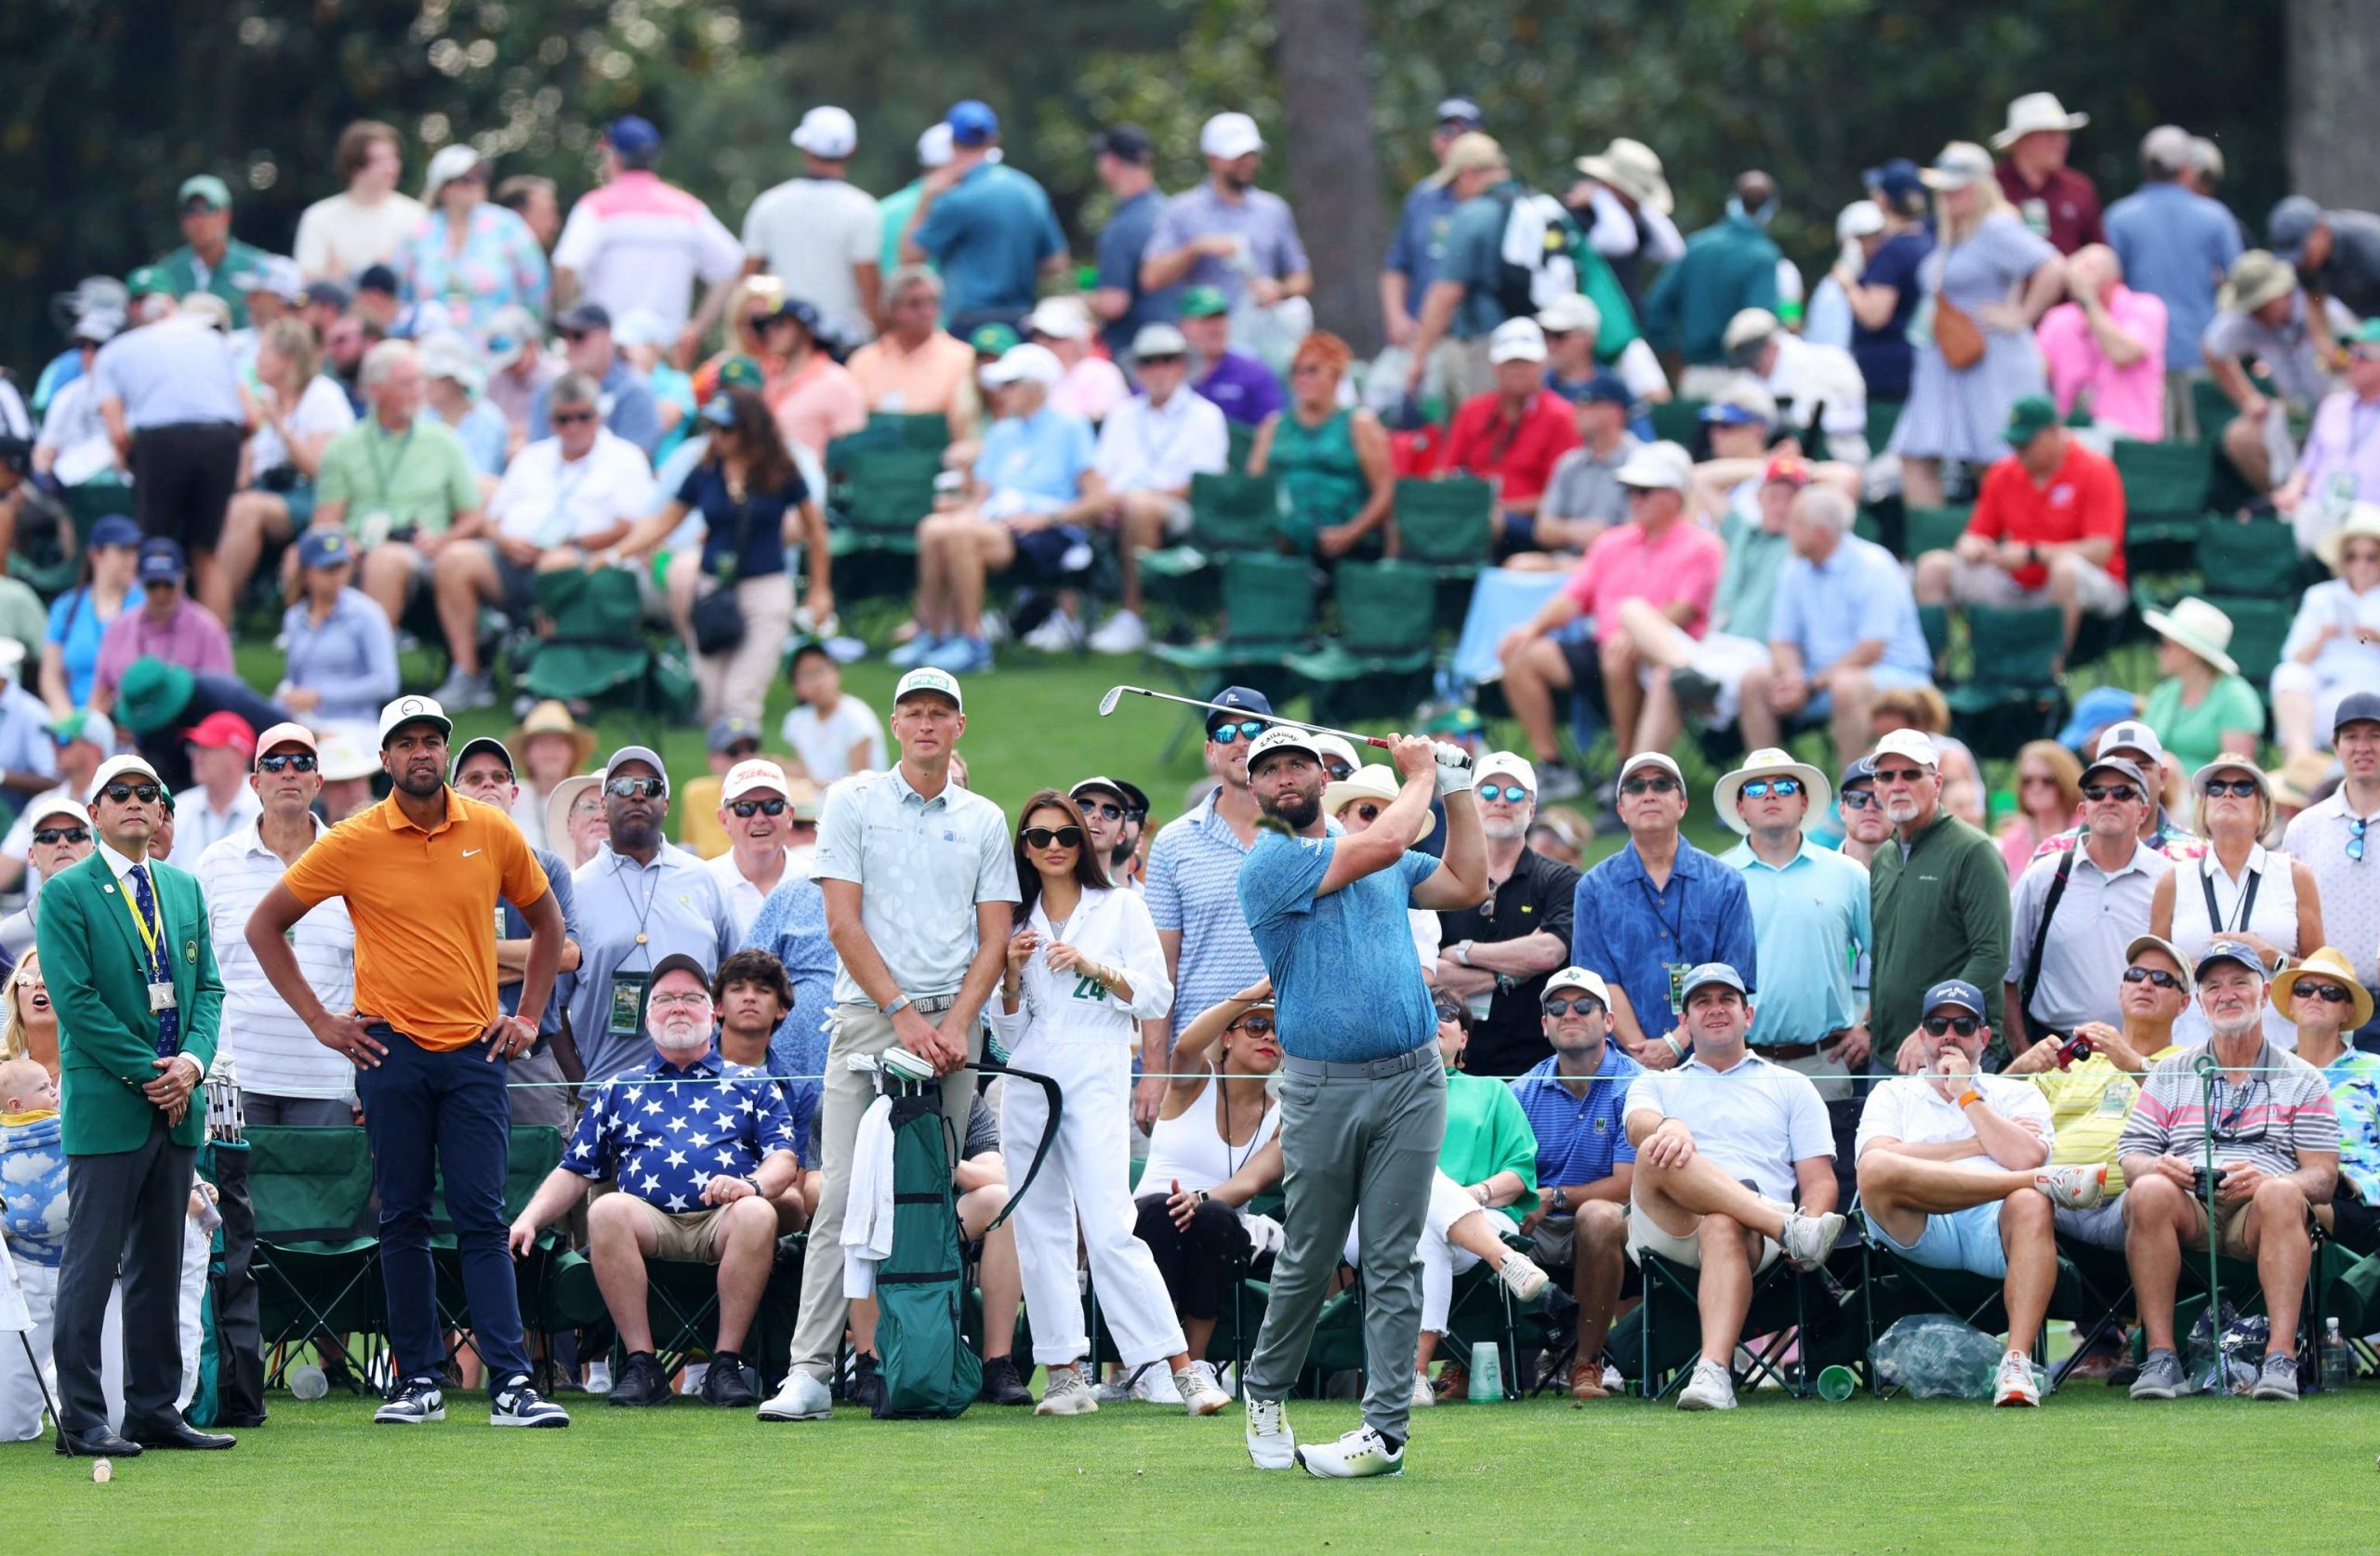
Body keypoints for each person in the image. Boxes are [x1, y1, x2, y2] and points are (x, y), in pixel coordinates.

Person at [245, 693, 568, 1428]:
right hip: (390, 1051)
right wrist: (321, 1021)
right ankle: (417, 1379)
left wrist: (528, 1017)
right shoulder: (355, 839)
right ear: (386, 759)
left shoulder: (489, 828)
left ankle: (510, 1383)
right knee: (404, 1218)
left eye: (432, 740)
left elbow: (549, 923)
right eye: (406, 742)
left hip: (476, 1052)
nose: (422, 752)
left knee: (484, 1218)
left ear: (444, 753)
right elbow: (266, 926)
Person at [758, 666, 1018, 1423]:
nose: (928, 724)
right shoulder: (853, 800)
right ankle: (810, 1371)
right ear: (896, 724)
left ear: (959, 727)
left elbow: (995, 935)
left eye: (942, 713)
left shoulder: (984, 818)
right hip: (871, 1017)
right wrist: (907, 1017)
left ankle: (925, 1360)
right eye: (915, 712)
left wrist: (958, 1022)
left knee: (930, 1197)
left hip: (953, 1023)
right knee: (840, 1193)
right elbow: (842, 922)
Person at [1236, 723, 1485, 1479]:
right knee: (1310, 1254)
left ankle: (1385, 1431)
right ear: (1255, 790)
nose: (1284, 778)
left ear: (1322, 774)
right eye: (1269, 769)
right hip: (1321, 1087)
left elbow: (1469, 884)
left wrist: (1458, 787)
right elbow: (1375, 848)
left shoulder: (1379, 854)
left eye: (1296, 764)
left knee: (1395, 1255)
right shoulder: (1272, 860)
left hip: (1412, 1078)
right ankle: (1266, 1388)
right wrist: (1415, 776)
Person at [985, 791, 1228, 1417]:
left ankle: (1179, 1367)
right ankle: (1063, 1373)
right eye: (1040, 838)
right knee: (1039, 1227)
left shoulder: (1121, 906)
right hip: (1031, 1078)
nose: (1056, 847)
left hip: (1096, 1069)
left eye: (1066, 835)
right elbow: (1008, 1033)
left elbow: (1153, 995)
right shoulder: (1014, 918)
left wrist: (1095, 968)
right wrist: (1010, 977)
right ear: (1025, 848)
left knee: (1109, 1223)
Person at [37, 751, 229, 1457]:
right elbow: (75, 1004)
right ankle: (82, 1418)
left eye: (148, 792)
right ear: (93, 813)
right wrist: (152, 1072)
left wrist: (192, 1065)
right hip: (115, 1103)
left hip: (178, 1102)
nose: (134, 801)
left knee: (160, 1258)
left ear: (161, 811)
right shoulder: (67, 893)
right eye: (117, 793)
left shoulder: (182, 889)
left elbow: (207, 990)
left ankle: (153, 1408)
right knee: (90, 1263)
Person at [507, 953, 799, 1409]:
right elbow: (575, 1169)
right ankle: (642, 1364)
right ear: (648, 1017)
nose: (678, 1007)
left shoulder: (753, 1081)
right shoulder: (620, 1087)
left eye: (690, 998)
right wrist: (528, 1219)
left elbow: (784, 1157)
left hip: (723, 1220)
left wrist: (753, 1186)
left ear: (712, 1011)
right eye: (664, 999)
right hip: (649, 1222)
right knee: (605, 1209)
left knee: (758, 1212)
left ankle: (726, 1364)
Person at [1855, 978, 2107, 1407]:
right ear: (1922, 1035)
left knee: (2031, 1198)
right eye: (1937, 1024)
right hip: (1919, 1228)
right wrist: (1979, 1146)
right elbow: (1877, 1164)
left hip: (1993, 1227)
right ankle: (2024, 1187)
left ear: (1984, 1037)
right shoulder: (1892, 1091)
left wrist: (1967, 1095)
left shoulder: (2018, 1091)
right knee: (1878, 1169)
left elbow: (2026, 1156)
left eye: (1963, 1025)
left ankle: (2016, 1363)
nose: (1948, 1035)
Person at [2119, 939, 2339, 1402]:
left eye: (2240, 982)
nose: (2227, 994)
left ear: (2264, 995)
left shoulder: (2303, 1077)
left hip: (2260, 1213)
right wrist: (2158, 1165)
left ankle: (2280, 1358)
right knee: (2149, 1190)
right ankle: (2161, 1356)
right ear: (2199, 1002)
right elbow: (2131, 1155)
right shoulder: (2171, 1071)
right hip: (2188, 1205)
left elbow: (2323, 1177)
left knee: (2281, 1195)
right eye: (2213, 986)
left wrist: (2274, 1181)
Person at [1620, 962, 1844, 1411]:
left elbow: (1819, 1181)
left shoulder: (1792, 1085)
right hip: (1672, 1228)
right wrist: (1672, 1125)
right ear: (1683, 1023)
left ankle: (1713, 1373)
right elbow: (1635, 1126)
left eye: (1727, 1000)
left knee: (1724, 1221)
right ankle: (1788, 1227)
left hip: (1752, 1241)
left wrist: (1814, 1219)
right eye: (1702, 1002)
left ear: (1749, 1015)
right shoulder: (1657, 1083)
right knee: (1656, 1146)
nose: (1716, 1009)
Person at [1496, 442, 1721, 800]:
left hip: (1664, 652)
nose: (1633, 499)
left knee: (1619, 651)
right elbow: (1573, 598)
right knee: (1522, 654)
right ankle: (1553, 765)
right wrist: (1532, 628)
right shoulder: (1612, 542)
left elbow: (1685, 609)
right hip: (1603, 644)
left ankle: (1624, 764)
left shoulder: (1702, 545)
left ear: (1674, 496)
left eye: (1644, 491)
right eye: (1631, 490)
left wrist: (1636, 636)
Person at [604, 388, 829, 726]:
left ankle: (746, 773)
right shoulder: (706, 470)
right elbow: (665, 522)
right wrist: (613, 553)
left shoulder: (780, 469)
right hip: (713, 588)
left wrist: (820, 589)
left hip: (765, 586)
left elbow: (815, 530)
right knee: (709, 702)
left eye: (726, 429)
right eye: (712, 427)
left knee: (739, 699)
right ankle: (718, 773)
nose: (716, 436)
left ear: (750, 429)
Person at [431, 373, 653, 710]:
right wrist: (505, 543)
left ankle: (545, 683)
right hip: (515, 557)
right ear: (552, 421)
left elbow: (633, 525)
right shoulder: (532, 457)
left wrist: (572, 542)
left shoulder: (625, 458)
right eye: (565, 419)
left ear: (598, 415)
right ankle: (469, 674)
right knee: (454, 559)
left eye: (584, 417)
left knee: (556, 565)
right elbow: (491, 519)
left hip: (583, 562)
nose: (574, 427)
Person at [193, 722, 357, 1126]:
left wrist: (364, 1082)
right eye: (274, 763)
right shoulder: (215, 863)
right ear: (255, 781)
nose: (288, 772)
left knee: (329, 1191)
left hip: (327, 1079)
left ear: (318, 782)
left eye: (301, 762)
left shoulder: (353, 861)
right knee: (228, 1191)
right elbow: (194, 973)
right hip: (234, 1076)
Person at [1392, 996, 1553, 1405]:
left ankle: (1414, 1374)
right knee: (1422, 1201)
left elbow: (1520, 1174)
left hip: (1478, 1219)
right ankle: (1506, 1261)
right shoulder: (1384, 1092)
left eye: (1445, 1014)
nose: (1432, 1020)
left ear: (1464, 1038)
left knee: (1429, 1222)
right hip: (1382, 1219)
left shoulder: (1491, 1092)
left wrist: (1471, 1195)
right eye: (1421, 1011)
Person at [1891, 143, 2069, 510]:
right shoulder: (1954, 233)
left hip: (1993, 361)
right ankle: (1934, 551)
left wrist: (2020, 315)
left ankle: (2009, 549)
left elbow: (2052, 266)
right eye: (1943, 189)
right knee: (1916, 453)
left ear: (1979, 187)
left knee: (1996, 460)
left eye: (1957, 188)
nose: (1947, 196)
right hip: (1948, 361)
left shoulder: (1995, 227)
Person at [898, 346, 1093, 674]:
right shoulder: (1002, 432)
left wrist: (1047, 517)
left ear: (1036, 386)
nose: (1001, 392)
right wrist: (961, 509)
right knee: (933, 527)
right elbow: (981, 497)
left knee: (960, 531)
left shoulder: (1071, 428)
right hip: (999, 524)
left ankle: (973, 643)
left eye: (1010, 384)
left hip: (1046, 532)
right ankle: (933, 634)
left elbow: (1097, 499)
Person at [1042, 323, 1229, 654]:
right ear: (1139, 369)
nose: (1158, 369)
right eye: (1149, 361)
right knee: (1067, 498)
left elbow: (1203, 484)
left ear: (1182, 365)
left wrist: (1128, 499)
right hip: (1116, 504)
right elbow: (1099, 472)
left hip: (1180, 511)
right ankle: (1063, 615)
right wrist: (1106, 499)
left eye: (1167, 359)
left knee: (1139, 506)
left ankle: (1133, 614)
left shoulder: (1206, 416)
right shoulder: (1123, 414)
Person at [557, 745, 737, 1088]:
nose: (638, 795)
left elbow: (735, 982)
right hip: (607, 1088)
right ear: (604, 804)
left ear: (666, 804)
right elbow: (553, 1003)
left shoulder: (707, 881)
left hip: (702, 1086)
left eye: (651, 787)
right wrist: (580, 1086)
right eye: (623, 786)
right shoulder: (573, 890)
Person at [1139, 688, 1276, 1129]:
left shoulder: (1318, 831)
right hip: (1198, 1052)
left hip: (1296, 1046)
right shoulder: (1174, 842)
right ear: (1210, 752)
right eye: (1225, 731)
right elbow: (1161, 968)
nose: (1239, 740)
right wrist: (1155, 1068)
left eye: (1252, 729)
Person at [1567, 748, 1757, 1064]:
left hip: (1711, 1059)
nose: (1649, 794)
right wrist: (1640, 1052)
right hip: (1623, 1064)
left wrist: (1676, 1043)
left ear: (1682, 804)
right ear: (1621, 809)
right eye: (1636, 787)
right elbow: (1596, 980)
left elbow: (1735, 975)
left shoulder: (1726, 883)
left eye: (1662, 784)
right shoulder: (1593, 888)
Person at [441, 736, 584, 1135]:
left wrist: (475, 955)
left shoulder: (547, 867)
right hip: (455, 1053)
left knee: (544, 1179)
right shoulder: (437, 865)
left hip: (532, 1056)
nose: (488, 784)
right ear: (453, 794)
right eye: (474, 778)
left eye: (498, 777)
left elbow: (569, 955)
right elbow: (436, 962)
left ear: (514, 792)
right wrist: (532, 962)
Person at [1914, 396, 2127, 660]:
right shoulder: (2003, 472)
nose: (2019, 451)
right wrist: (1973, 547)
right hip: (2017, 583)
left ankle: (2045, 682)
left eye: (2027, 443)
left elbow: (2100, 551)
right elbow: (1974, 535)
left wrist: (2033, 554)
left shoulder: (2096, 469)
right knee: (1933, 567)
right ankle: (1931, 676)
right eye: (2015, 444)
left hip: (2092, 586)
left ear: (2054, 432)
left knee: (2066, 570)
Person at [1509, 968, 1638, 1397]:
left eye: (1584, 1006)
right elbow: (1505, 1171)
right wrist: (1522, 1199)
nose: (1570, 1014)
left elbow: (1627, 1184)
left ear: (1608, 1022)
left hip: (1622, 1224)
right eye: (1557, 1008)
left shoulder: (1636, 1086)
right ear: (1544, 1024)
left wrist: (1555, 1196)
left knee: (1597, 1217)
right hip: (1537, 1222)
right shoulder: (1521, 1091)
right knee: (1480, 1218)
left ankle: (1585, 1363)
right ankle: (1466, 1362)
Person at [1714, 748, 1871, 1098]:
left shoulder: (1847, 874)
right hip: (1739, 1061)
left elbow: (1891, 960)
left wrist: (1869, 1026)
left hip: (1825, 1060)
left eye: (1784, 787)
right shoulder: (1716, 877)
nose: (1770, 795)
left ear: (1803, 802)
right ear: (1741, 808)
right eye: (1755, 789)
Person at [1746, 482, 1935, 765]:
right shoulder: (1794, 567)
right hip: (1820, 680)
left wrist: (1809, 686)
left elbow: (1871, 650)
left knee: (1846, 688)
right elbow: (1781, 639)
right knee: (1754, 681)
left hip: (1893, 674)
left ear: (1820, 533)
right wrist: (1794, 677)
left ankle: (1851, 793)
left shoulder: (1874, 567)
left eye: (1796, 523)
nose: (1788, 529)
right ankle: (1764, 783)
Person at [310, 339, 488, 626]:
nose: (418, 392)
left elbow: (474, 516)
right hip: (355, 549)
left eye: (420, 382)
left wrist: (441, 540)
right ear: (376, 391)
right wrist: (342, 544)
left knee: (385, 560)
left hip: (421, 556)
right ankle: (310, 650)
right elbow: (324, 524)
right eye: (407, 384)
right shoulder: (342, 447)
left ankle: (372, 663)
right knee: (301, 557)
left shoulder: (445, 442)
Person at [2003, 753, 2169, 1055]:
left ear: (2144, 812)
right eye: (2096, 793)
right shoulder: (2044, 876)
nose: (2109, 799)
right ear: (2083, 810)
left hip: (2140, 1053)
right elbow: (2005, 972)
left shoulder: (2167, 880)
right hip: (2056, 1052)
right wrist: (2022, 1050)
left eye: (2123, 793)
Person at [2152, 758, 2322, 1050]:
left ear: (2263, 808)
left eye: (2243, 787)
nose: (2227, 794)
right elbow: (2153, 974)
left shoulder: (2294, 874)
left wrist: (2274, 958)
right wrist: (2186, 969)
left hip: (2280, 1047)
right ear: (2203, 808)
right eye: (2216, 788)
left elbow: (2324, 973)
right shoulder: (2174, 880)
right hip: (2193, 1046)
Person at [1425, 750, 1577, 1075]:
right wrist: (1508, 974)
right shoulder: (1438, 878)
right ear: (1472, 802)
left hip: (1536, 1065)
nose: (1502, 802)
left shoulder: (1560, 880)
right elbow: (1422, 971)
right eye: (1490, 792)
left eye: (1515, 794)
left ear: (1532, 809)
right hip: (1451, 1067)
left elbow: (1549, 952)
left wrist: (1463, 952)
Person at [1869, 730, 2013, 1070]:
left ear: (1937, 783)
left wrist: (1933, 1032)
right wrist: (1869, 1027)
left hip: (1957, 1052)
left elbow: (1991, 955)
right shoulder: (1883, 858)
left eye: (1911, 774)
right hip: (1889, 1053)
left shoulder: (1974, 851)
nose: (1898, 785)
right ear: (1877, 788)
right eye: (1887, 776)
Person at [89, 290, 246, 592]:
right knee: (206, 555)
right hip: (221, 438)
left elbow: (119, 434)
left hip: (160, 441)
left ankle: (140, 634)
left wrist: (136, 463)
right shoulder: (212, 342)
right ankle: (217, 638)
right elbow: (249, 416)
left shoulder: (113, 353)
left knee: (148, 548)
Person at [553, 117, 743, 355]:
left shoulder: (594, 207)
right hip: (664, 352)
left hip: (607, 353)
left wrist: (568, 328)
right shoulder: (689, 210)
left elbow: (565, 268)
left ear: (614, 157)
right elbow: (733, 266)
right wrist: (696, 330)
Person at [2107, 126, 2240, 442]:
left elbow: (2110, 287)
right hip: (2202, 352)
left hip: (2140, 355)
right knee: (2199, 449)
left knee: (2153, 452)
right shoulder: (2215, 216)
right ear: (2186, 169)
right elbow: (2240, 283)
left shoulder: (2119, 217)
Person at [1401, 133, 1546, 406]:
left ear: (1467, 174)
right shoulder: (1537, 205)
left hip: (1487, 342)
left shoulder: (1471, 215)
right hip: (1540, 341)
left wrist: (1418, 359)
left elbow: (1445, 293)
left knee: (1487, 427)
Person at [899, 100, 1069, 334]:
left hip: (968, 324)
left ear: (952, 141)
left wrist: (926, 197)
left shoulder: (956, 198)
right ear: (994, 139)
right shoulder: (1030, 190)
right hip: (1020, 320)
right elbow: (1055, 263)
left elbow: (909, 256)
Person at [1139, 112, 1311, 323]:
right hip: (1204, 340)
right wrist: (1196, 248)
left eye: (1250, 155)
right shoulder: (1182, 210)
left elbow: (1301, 277)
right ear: (1212, 159)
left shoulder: (1273, 210)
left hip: (1261, 335)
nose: (1246, 162)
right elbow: (1151, 278)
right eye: (1237, 157)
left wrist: (1280, 289)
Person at [2281, 694, 2380, 1045]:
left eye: (2375, 736)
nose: (2363, 747)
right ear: (2336, 746)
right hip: (2323, 1002)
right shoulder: (2305, 827)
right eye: (2352, 737)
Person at [742, 105, 882, 348]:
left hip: (782, 339)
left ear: (806, 149)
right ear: (852, 150)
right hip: (845, 343)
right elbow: (868, 285)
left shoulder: (769, 203)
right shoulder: (863, 208)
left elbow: (747, 281)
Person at [1247, 330, 1395, 560]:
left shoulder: (1359, 423)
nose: (1302, 378)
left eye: (1313, 370)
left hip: (1348, 543)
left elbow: (1385, 492)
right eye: (1296, 371)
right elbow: (1255, 487)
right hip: (1285, 541)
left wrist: (1351, 532)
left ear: (1336, 376)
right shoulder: (1274, 426)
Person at [1439, 320, 1582, 553]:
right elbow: (1444, 473)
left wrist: (1500, 508)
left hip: (1531, 523)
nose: (1518, 371)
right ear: (1495, 368)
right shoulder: (1472, 411)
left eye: (1526, 363)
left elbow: (1563, 495)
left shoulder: (1561, 416)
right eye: (1510, 363)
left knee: (1489, 522)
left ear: (1542, 366)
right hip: (1471, 513)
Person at [2275, 947, 2380, 1252]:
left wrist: (2364, 1187)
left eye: (2331, 992)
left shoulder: (2374, 1070)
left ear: (2348, 1011)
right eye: (2304, 989)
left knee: (2286, 1204)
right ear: (2292, 1003)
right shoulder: (2268, 1072)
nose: (2315, 997)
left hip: (2358, 1201)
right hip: (2275, 1187)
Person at [2202, 250, 2330, 499]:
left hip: (2338, 411)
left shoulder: (2318, 307)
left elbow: (2361, 348)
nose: (2255, 313)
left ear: (2282, 293)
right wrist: (2247, 398)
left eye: (2261, 304)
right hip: (2294, 414)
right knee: (2241, 437)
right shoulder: (2247, 321)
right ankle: (2283, 506)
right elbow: (2211, 350)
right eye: (2251, 307)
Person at [1645, 172, 1784, 399]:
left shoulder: (1697, 246)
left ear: (1732, 200)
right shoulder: (1765, 256)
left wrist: (1676, 365)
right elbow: (1763, 321)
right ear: (1771, 207)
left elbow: (1656, 309)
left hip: (1695, 377)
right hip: (1743, 382)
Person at [395, 143, 551, 340]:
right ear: (444, 188)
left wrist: (532, 340)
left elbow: (536, 291)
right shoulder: (418, 235)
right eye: (466, 179)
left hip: (502, 352)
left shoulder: (508, 226)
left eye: (481, 177)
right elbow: (401, 297)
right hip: (434, 352)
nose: (476, 184)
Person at [274, 529, 400, 735]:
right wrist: (285, 696)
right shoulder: (294, 617)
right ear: (307, 573)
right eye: (327, 569)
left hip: (354, 725)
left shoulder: (366, 613)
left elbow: (386, 683)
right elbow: (294, 677)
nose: (336, 576)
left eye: (341, 567)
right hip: (303, 723)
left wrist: (321, 696)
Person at [89, 537, 232, 718]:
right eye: (153, 585)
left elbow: (222, 698)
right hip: (127, 732)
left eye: (168, 584)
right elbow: (99, 695)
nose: (160, 593)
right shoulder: (119, 628)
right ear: (138, 582)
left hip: (187, 730)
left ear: (183, 578)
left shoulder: (208, 630)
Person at [2278, 508, 2380, 760]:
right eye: (2353, 557)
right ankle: (2301, 762)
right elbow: (2294, 657)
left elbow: (2362, 641)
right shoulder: (2320, 596)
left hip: (2370, 682)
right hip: (2321, 679)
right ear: (2342, 560)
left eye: (2371, 557)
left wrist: (2372, 637)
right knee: (2287, 676)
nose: (2361, 564)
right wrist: (2323, 637)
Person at [2036, 244, 2167, 442]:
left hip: (2129, 436)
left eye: (2089, 268)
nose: (2081, 273)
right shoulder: (2058, 319)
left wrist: (2088, 301)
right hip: (2069, 431)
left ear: (2113, 278)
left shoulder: (2146, 308)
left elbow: (2121, 354)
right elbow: (2034, 371)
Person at [2275, 323, 2380, 558]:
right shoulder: (2334, 405)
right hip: (2323, 508)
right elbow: (2307, 465)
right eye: (2348, 354)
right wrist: (2292, 491)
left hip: (2371, 517)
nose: (2351, 362)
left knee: (2360, 522)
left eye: (2362, 356)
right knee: (2277, 520)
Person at [1838, 161, 1935, 408]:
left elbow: (1875, 316)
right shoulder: (1926, 241)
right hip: (1916, 366)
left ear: (1883, 199)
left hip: (1888, 378)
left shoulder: (1894, 250)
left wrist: (1848, 284)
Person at [845, 268, 981, 439]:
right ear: (891, 309)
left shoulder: (963, 358)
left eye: (932, 302)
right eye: (914, 304)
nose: (926, 312)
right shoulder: (863, 361)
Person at [2139, 597, 2264, 780]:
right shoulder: (2165, 693)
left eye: (2165, 644)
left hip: (2207, 800)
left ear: (2189, 650)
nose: (2159, 650)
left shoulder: (2236, 697)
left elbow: (2237, 775)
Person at [1723, 306, 1870, 462]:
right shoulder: (1746, 381)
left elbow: (1855, 419)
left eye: (1756, 359)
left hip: (1834, 458)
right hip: (1772, 465)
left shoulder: (1832, 362)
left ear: (1771, 346)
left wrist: (1808, 424)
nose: (1754, 368)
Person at [1525, 376, 1641, 560]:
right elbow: (1543, 529)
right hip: (1566, 559)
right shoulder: (1569, 463)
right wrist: (1573, 531)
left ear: (1615, 412)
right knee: (1522, 564)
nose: (1578, 410)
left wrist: (1603, 538)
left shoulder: (1641, 461)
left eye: (1589, 403)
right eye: (1577, 404)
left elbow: (1641, 531)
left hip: (1620, 564)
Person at [295, 121, 427, 282]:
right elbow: (309, 281)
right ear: (356, 168)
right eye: (380, 160)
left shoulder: (416, 215)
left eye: (394, 158)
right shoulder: (318, 217)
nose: (391, 169)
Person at [1090, 125, 1177, 363]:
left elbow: (1113, 303)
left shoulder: (1123, 226)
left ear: (1112, 162)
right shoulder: (1171, 212)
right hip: (1176, 352)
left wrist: (1083, 302)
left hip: (1137, 358)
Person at [39, 515, 142, 718]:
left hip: (130, 723)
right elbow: (50, 675)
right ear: (96, 555)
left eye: (135, 551)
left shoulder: (145, 605)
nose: (132, 560)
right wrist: (69, 721)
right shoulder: (66, 607)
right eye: (123, 551)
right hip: (75, 726)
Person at [1571, 136, 1683, 315]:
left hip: (1627, 319)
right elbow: (1621, 242)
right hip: (1591, 320)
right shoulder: (1581, 215)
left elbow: (1673, 252)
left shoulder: (1633, 218)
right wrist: (1603, 197)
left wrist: (1643, 206)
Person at [149, 175, 271, 326]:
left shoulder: (258, 265)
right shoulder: (166, 273)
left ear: (226, 215)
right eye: (190, 211)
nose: (199, 219)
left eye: (208, 208)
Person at [751, 297, 866, 459]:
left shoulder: (836, 382)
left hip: (816, 480)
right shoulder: (764, 378)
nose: (770, 331)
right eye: (767, 326)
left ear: (806, 330)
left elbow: (852, 447)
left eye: (780, 324)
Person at [1990, 92, 2103, 255]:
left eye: (2063, 134)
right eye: (2050, 135)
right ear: (2022, 141)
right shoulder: (1991, 187)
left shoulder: (2079, 189)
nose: (2062, 142)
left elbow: (2099, 252)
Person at [705, 758, 796, 939]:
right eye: (745, 808)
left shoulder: (816, 882)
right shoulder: (704, 884)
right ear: (724, 820)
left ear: (790, 815)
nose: (760, 818)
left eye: (773, 805)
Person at [0, 796, 93, 962]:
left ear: (94, 851)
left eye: (75, 834)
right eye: (48, 836)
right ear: (31, 855)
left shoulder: (121, 923)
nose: (63, 843)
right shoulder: (5, 937)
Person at [1178, 285, 1283, 428]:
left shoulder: (1253, 373)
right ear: (1185, 325)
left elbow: (1272, 428)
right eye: (1206, 320)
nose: (1215, 328)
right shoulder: (1162, 367)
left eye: (1220, 319)